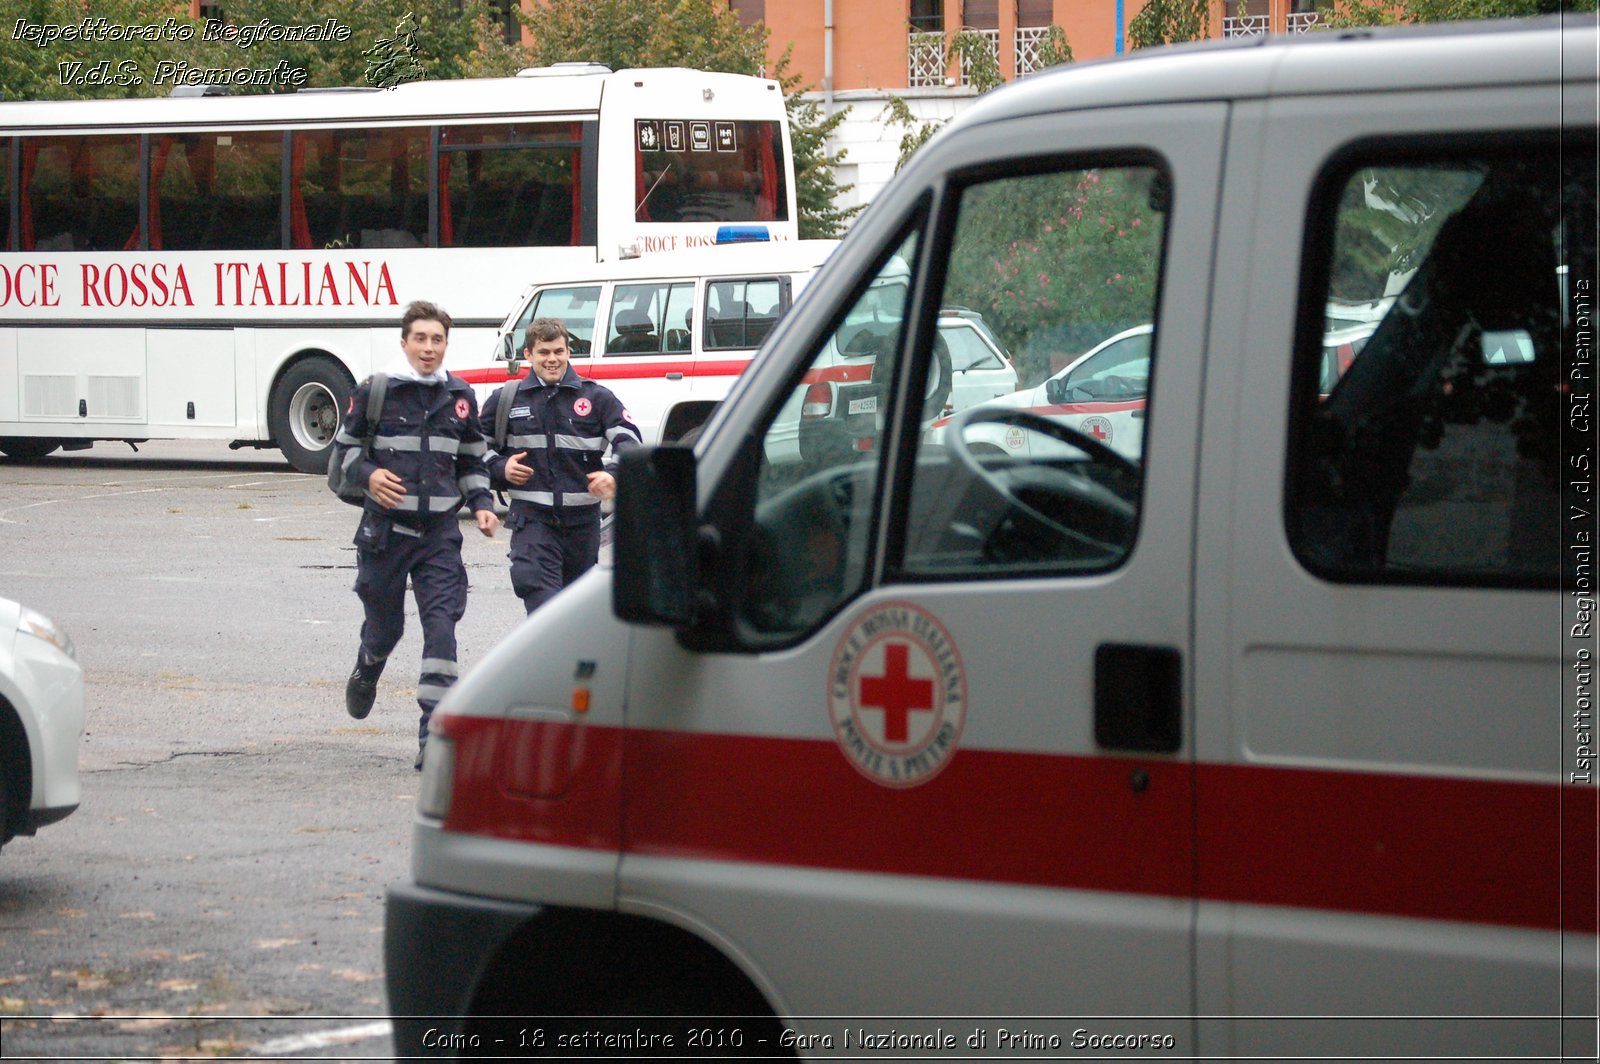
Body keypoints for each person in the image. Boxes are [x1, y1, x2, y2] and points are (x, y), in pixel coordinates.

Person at [331, 300, 499, 770]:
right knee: (388, 627)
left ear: (447, 344)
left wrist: (483, 505)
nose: (429, 348)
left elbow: (471, 461)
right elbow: (340, 458)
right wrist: (369, 476)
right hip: (385, 533)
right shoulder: (375, 392)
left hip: (439, 536)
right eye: (420, 339)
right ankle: (369, 663)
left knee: (442, 629)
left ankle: (434, 736)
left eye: (437, 339)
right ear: (404, 343)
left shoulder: (461, 396)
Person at [481, 317, 642, 615]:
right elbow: (473, 450)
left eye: (559, 351)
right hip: (532, 524)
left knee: (573, 617)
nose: (552, 359)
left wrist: (614, 475)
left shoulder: (597, 397)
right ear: (528, 355)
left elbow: (629, 440)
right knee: (544, 608)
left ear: (569, 351)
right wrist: (500, 468)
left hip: (582, 527)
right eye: (543, 352)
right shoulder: (506, 399)